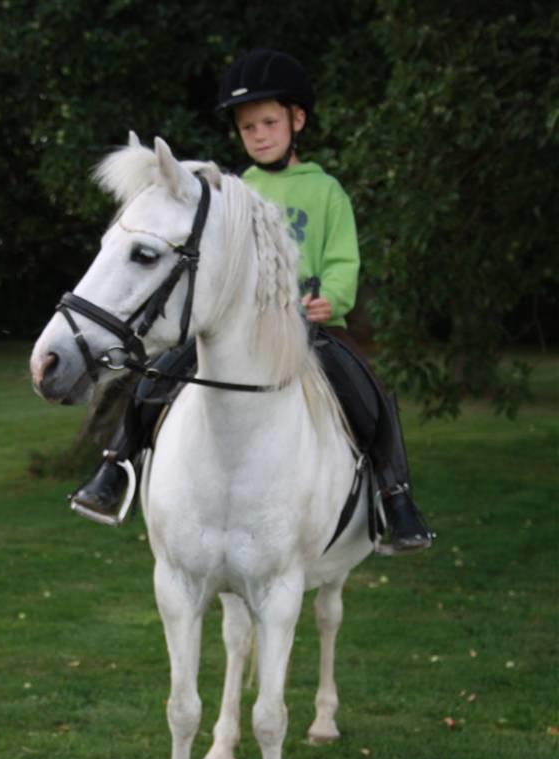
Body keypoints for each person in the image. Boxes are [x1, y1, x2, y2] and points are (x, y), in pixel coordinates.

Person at [71, 48, 434, 552]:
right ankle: (115, 467)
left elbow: (344, 258)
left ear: (297, 119)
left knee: (367, 389)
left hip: (311, 326)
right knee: (159, 377)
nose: (259, 135)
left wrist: (332, 295)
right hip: (245, 327)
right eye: (248, 128)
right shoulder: (232, 192)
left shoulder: (326, 190)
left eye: (268, 122)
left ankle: (396, 498)